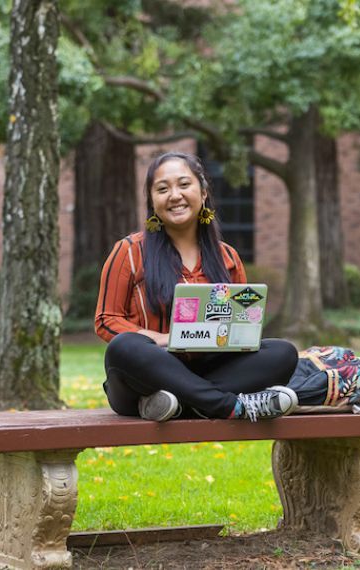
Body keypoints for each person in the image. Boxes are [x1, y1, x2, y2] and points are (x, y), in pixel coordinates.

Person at [95, 151, 299, 422]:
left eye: (183, 184)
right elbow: (106, 320)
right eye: (162, 189)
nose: (174, 195)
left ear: (203, 193)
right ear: (152, 201)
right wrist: (158, 339)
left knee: (283, 353)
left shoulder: (227, 258)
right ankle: (228, 406)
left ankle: (178, 404)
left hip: (207, 369)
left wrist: (233, 337)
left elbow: (244, 328)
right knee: (124, 347)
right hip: (145, 373)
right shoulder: (129, 251)